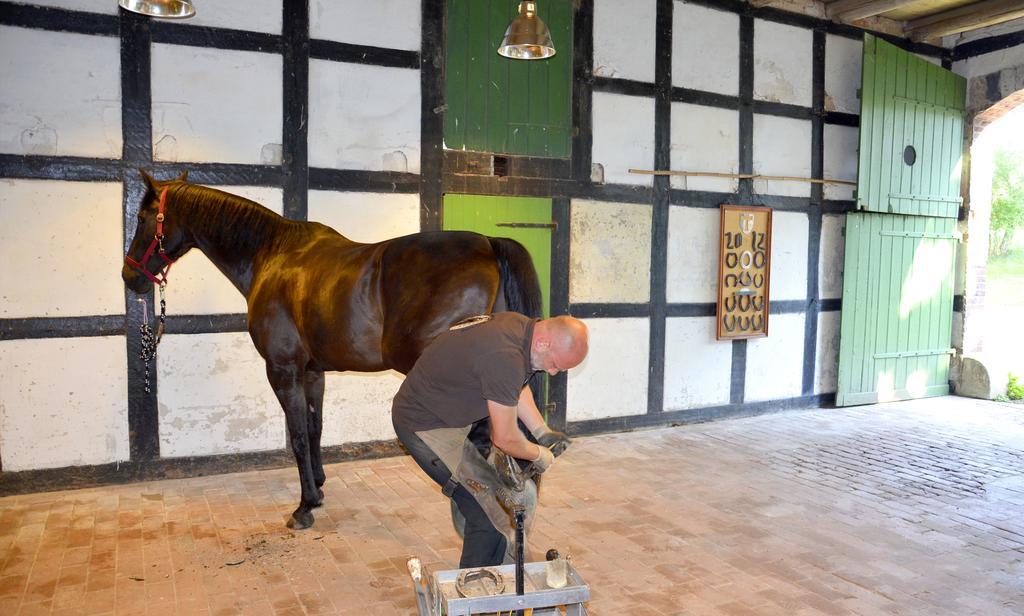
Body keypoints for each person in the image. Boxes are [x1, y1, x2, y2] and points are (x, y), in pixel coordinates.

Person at [391, 312, 589, 568]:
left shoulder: (520, 329)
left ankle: (501, 583)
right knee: (488, 518)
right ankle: (472, 598)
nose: (552, 372)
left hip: (448, 418)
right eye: (554, 364)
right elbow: (505, 438)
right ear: (543, 343)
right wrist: (539, 454)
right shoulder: (504, 356)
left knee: (503, 513)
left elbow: (515, 384)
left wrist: (541, 431)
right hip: (423, 425)